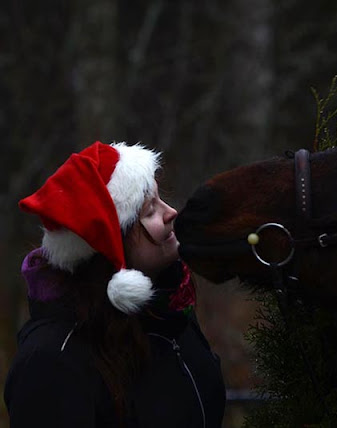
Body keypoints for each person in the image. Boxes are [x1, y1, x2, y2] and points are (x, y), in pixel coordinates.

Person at [4, 141, 226, 427]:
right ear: (108, 250)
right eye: (149, 211)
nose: (171, 212)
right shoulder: (50, 361)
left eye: (161, 199)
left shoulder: (170, 310)